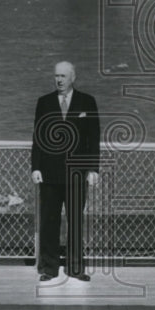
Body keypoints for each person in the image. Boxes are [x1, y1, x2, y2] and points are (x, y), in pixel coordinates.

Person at [30, 61, 101, 282]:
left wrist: (93, 169)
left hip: (77, 173)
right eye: (56, 76)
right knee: (49, 222)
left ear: (73, 77)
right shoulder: (44, 102)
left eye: (63, 76)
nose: (59, 80)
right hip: (49, 173)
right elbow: (38, 138)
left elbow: (93, 138)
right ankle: (49, 268)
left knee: (75, 220)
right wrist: (36, 167)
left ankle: (75, 267)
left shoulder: (87, 102)